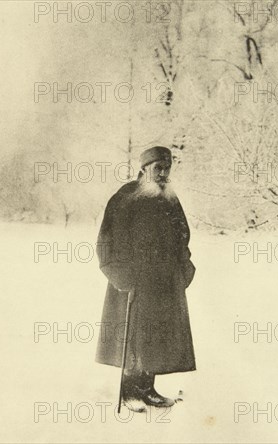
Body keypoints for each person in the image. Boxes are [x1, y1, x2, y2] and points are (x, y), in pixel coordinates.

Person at [95, 146, 196, 411]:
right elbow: (105, 242)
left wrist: (185, 267)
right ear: (143, 169)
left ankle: (147, 389)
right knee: (134, 337)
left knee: (157, 338)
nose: (163, 174)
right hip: (134, 281)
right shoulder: (125, 197)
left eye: (167, 168)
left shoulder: (170, 199)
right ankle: (129, 392)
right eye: (158, 168)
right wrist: (119, 275)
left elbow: (182, 236)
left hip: (164, 281)